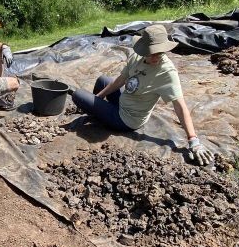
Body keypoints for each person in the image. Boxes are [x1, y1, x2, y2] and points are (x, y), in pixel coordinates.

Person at [71, 24, 213, 166]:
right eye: (151, 53)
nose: (156, 57)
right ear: (144, 49)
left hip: (127, 119)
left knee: (77, 95)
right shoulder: (137, 57)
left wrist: (193, 140)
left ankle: (102, 114)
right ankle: (99, 112)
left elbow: (180, 107)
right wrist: (99, 98)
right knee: (102, 80)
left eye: (160, 52)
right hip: (124, 101)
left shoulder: (166, 72)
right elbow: (120, 80)